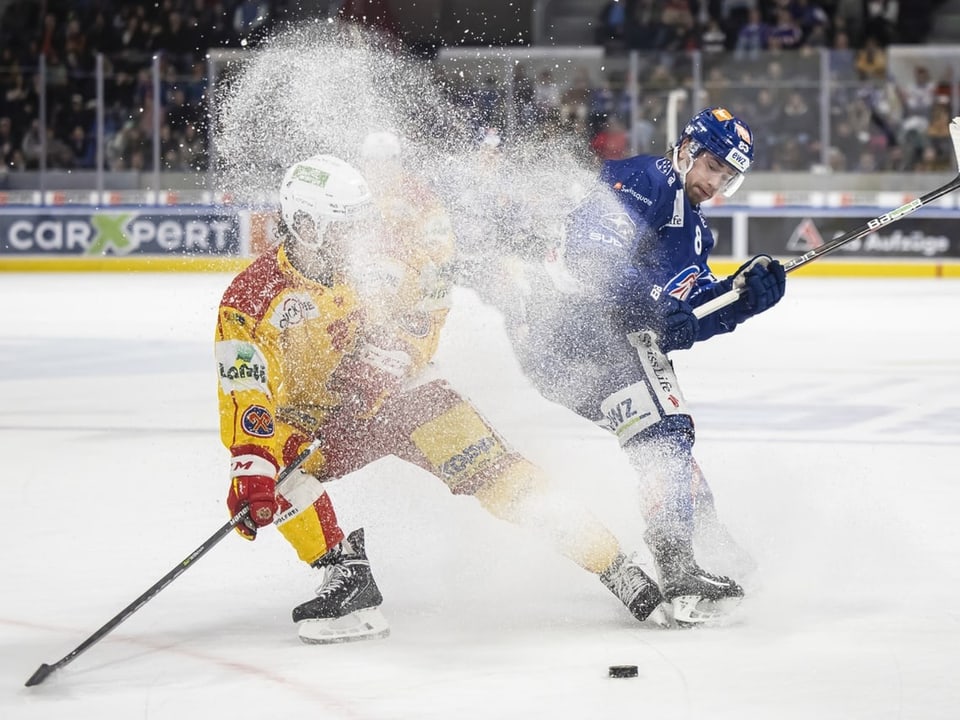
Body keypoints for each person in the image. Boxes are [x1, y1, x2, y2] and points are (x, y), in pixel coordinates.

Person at [215, 152, 666, 644]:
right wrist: (253, 464)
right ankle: (346, 575)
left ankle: (613, 562)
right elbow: (244, 389)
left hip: (406, 395)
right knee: (266, 478)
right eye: (344, 227)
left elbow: (426, 312)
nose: (359, 239)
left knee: (499, 475)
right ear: (305, 225)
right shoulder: (251, 298)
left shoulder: (381, 263)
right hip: (319, 426)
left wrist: (378, 371)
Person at [499, 107, 786, 624]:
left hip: (595, 350)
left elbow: (682, 324)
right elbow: (590, 258)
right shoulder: (644, 178)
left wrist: (741, 299)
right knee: (667, 430)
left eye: (727, 175)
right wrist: (658, 302)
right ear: (688, 149)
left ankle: (706, 544)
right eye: (713, 166)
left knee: (669, 442)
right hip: (570, 330)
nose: (715, 183)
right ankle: (679, 567)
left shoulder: (697, 236)